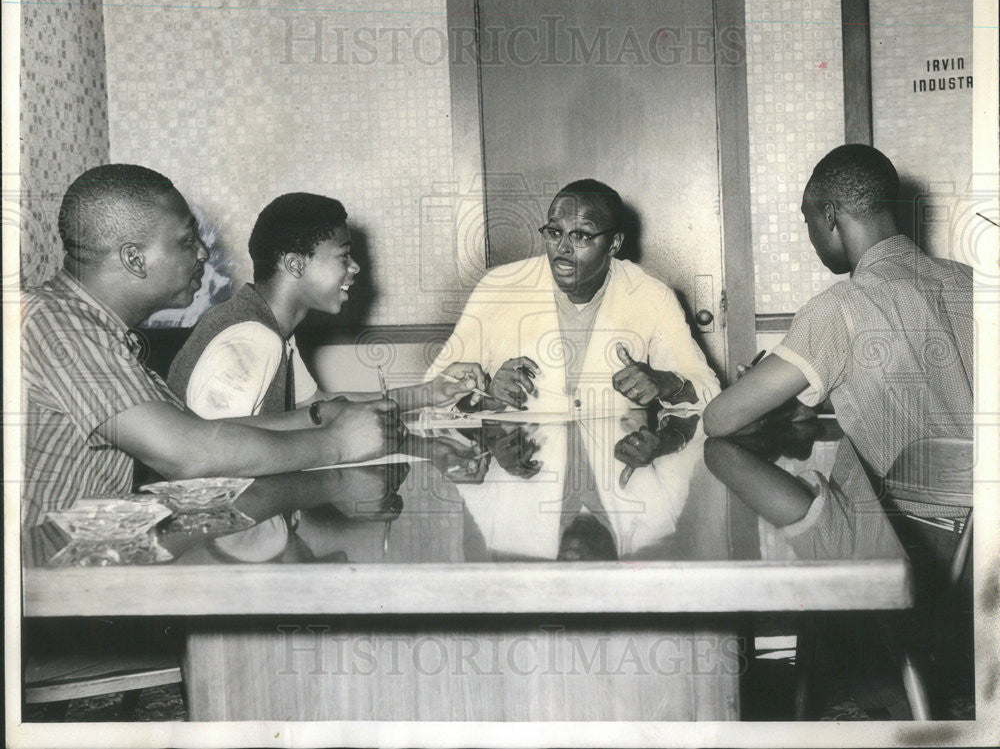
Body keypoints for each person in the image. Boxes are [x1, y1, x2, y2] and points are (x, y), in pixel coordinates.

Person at [21, 165, 404, 528]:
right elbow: (189, 452)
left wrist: (320, 417)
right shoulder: (57, 326)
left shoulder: (100, 334)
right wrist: (336, 442)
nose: (203, 252)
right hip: (39, 572)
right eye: (187, 240)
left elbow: (207, 430)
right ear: (134, 259)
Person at [703, 144, 973, 490]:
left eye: (808, 220)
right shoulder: (970, 280)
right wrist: (802, 398)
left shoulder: (838, 307)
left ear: (829, 215)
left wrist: (757, 393)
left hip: (918, 529)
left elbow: (718, 419)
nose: (811, 236)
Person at [168, 193, 486, 419]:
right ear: (294, 265)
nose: (355, 268)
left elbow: (316, 407)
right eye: (344, 256)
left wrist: (430, 393)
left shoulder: (267, 328)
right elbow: (220, 457)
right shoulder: (253, 338)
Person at [426, 179, 720, 416]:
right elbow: (431, 391)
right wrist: (487, 393)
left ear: (614, 243)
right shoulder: (499, 286)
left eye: (581, 236)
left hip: (618, 471)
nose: (562, 247)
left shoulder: (651, 295)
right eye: (555, 232)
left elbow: (709, 392)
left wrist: (669, 383)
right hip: (524, 474)